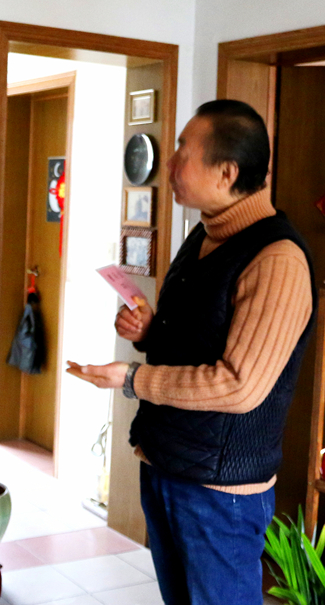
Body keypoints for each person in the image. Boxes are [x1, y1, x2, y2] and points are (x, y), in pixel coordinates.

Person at [67, 99, 316, 605]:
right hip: (168, 464)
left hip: (219, 491)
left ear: (227, 173)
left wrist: (132, 378)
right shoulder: (204, 234)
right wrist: (148, 332)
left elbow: (239, 385)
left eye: (184, 151)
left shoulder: (278, 260)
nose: (171, 163)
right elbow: (198, 340)